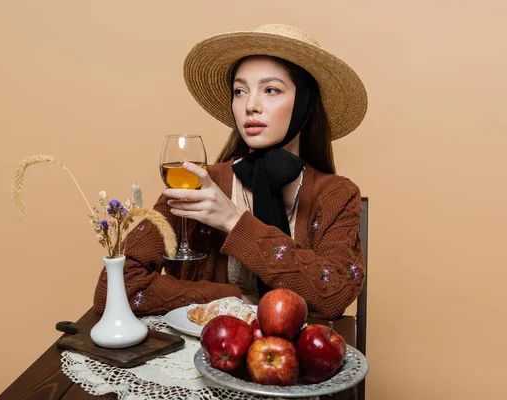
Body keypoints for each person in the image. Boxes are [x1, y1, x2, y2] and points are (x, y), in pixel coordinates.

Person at [93, 24, 368, 321]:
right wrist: (232, 298)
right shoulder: (197, 185)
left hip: (292, 362)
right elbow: (112, 288)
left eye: (271, 90)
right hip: (196, 359)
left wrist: (233, 220)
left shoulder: (336, 194)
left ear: (305, 103)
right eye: (240, 91)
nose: (251, 105)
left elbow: (334, 296)